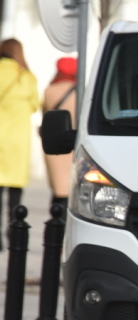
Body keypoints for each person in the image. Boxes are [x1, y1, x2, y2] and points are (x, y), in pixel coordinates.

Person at [0, 38, 41, 246]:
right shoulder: (26, 77)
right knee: (15, 193)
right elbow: (35, 105)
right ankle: (13, 233)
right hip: (17, 142)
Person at [42, 56, 77, 207]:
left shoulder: (49, 91)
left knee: (58, 187)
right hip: (75, 140)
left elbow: (44, 114)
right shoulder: (81, 90)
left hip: (55, 143)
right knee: (72, 184)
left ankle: (55, 221)